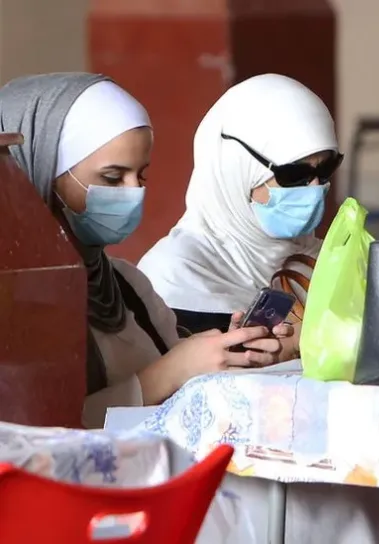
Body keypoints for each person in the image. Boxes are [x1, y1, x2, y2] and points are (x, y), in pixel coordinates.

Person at [0, 73, 293, 428]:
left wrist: (224, 354)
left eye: (141, 176)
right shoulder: (13, 301)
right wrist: (168, 374)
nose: (133, 192)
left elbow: (181, 381)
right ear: (38, 171)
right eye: (111, 178)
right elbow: (30, 433)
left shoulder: (125, 285)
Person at [138, 74, 341, 355]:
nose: (315, 188)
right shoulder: (173, 277)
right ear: (236, 169)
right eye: (294, 174)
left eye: (326, 169)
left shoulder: (329, 262)